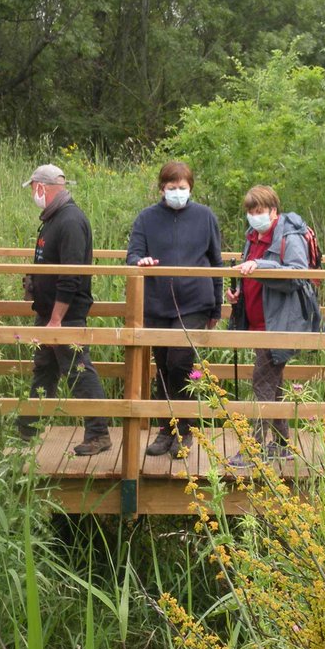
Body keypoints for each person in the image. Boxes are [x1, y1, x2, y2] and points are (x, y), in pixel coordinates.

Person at [126, 161, 223, 458]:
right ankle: (166, 430)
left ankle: (184, 430)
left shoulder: (205, 217)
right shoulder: (146, 218)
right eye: (172, 188)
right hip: (157, 302)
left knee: (180, 362)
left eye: (182, 187)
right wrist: (140, 262)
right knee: (164, 365)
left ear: (190, 188)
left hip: (195, 301)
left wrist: (216, 307)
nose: (177, 192)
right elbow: (133, 254)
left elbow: (216, 262)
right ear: (162, 189)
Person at [18, 164, 111, 456]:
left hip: (65, 315)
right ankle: (27, 430)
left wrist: (56, 319)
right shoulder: (53, 218)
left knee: (78, 370)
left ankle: (99, 433)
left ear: (41, 187)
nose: (33, 194)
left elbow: (71, 275)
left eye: (33, 188)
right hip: (50, 313)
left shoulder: (70, 220)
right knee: (44, 369)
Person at [225, 185, 321, 467]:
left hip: (280, 321)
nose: (255, 216)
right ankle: (281, 444)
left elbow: (298, 273)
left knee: (262, 381)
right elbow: (251, 273)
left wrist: (261, 265)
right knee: (273, 382)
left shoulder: (289, 236)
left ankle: (252, 449)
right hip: (258, 319)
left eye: (260, 211)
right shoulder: (252, 237)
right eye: (251, 211)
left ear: (273, 211)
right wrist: (238, 293)